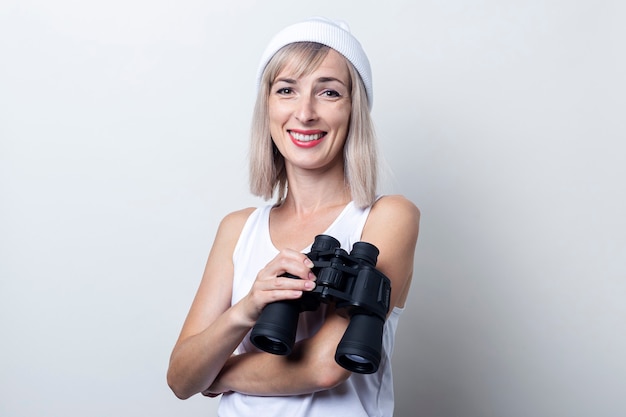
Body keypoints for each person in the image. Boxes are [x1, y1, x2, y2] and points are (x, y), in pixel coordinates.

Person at [167, 17, 420, 417]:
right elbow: (180, 378)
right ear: (267, 106)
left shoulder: (386, 218)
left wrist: (217, 374)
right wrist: (248, 309)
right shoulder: (239, 229)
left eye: (329, 93)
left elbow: (326, 367)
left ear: (354, 111)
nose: (305, 113)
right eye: (287, 90)